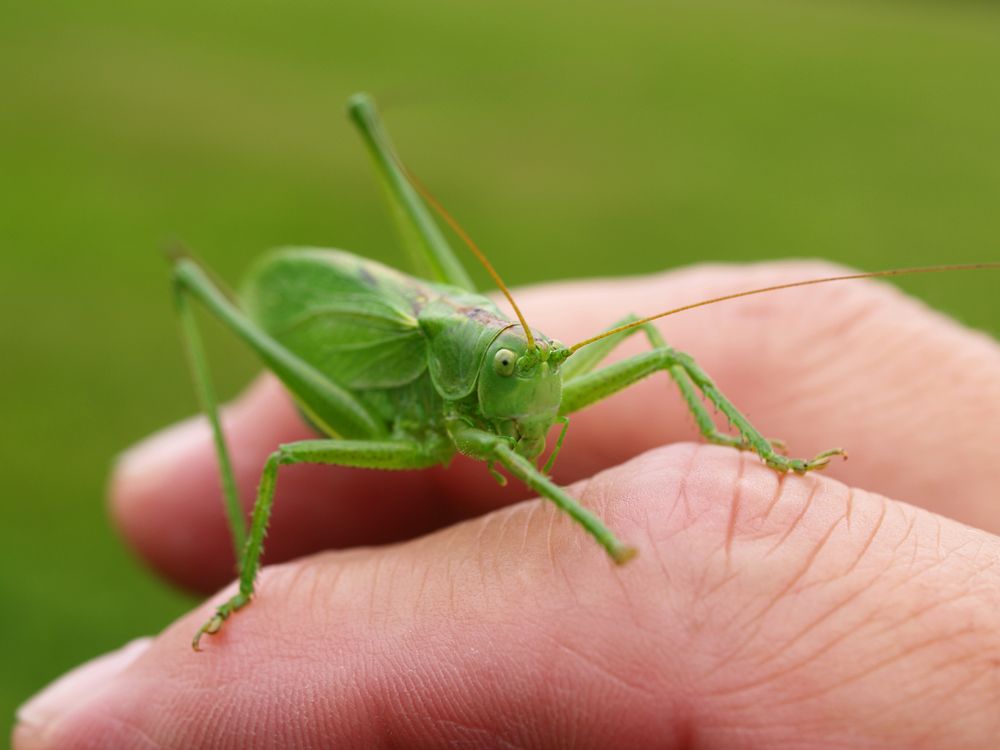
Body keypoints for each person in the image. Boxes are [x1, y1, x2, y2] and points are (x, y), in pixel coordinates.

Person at [14, 262, 1000, 748]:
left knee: (651, 340)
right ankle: (237, 593)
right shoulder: (430, 402)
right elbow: (280, 462)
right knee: (270, 440)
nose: (536, 405)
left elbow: (661, 350)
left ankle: (765, 453)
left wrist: (767, 464)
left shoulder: (522, 369)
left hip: (461, 347)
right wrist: (595, 526)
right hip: (384, 391)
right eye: (512, 377)